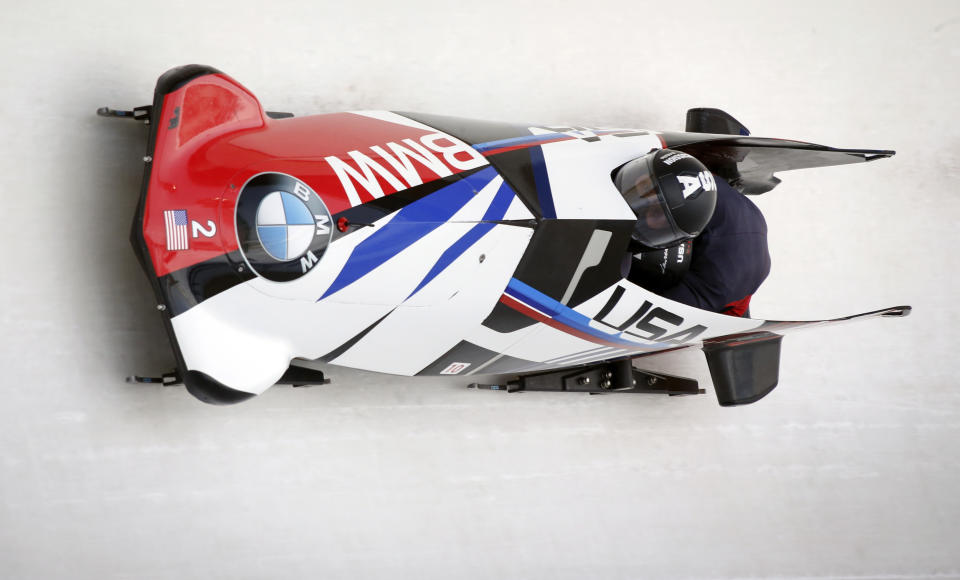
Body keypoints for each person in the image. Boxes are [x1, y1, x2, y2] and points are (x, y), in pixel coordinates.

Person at [616, 148, 770, 317]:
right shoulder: (685, 178)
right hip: (737, 220)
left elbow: (653, 313)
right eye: (644, 187)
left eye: (654, 212)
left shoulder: (714, 286)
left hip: (728, 290)